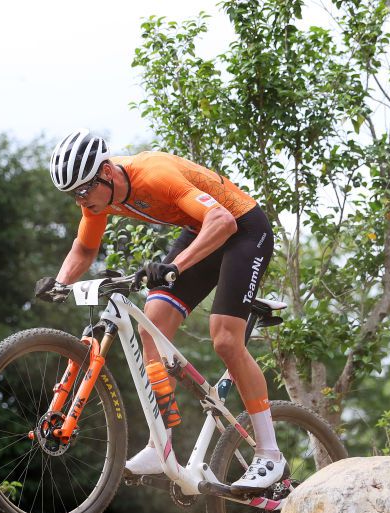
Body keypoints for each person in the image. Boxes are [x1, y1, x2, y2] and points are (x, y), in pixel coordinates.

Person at [35, 128, 283, 491]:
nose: (80, 200)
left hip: (243, 228)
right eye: (73, 194)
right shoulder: (98, 198)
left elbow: (224, 222)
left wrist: (176, 267)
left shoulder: (153, 174)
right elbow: (85, 249)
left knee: (225, 339)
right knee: (152, 326)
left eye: (84, 189)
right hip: (201, 228)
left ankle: (271, 454)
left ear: (106, 171)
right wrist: (59, 283)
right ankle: (160, 444)